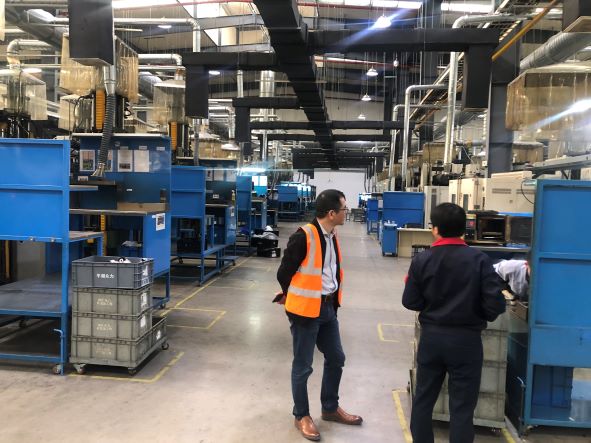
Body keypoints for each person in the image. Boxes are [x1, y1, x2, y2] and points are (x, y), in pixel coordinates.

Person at [402, 203, 506, 443]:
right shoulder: (480, 260)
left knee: (423, 400)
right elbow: (495, 305)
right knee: (462, 408)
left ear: (435, 229)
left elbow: (410, 301)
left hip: (432, 339)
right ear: (463, 230)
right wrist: (477, 314)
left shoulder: (422, 260)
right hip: (467, 342)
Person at [276, 189, 362, 441]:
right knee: (303, 366)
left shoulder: (332, 235)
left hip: (328, 308)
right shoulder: (304, 236)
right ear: (332, 213)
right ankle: (301, 415)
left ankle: (330, 408)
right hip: (305, 311)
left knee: (336, 357)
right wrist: (291, 296)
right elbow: (283, 273)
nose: (347, 212)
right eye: (344, 208)